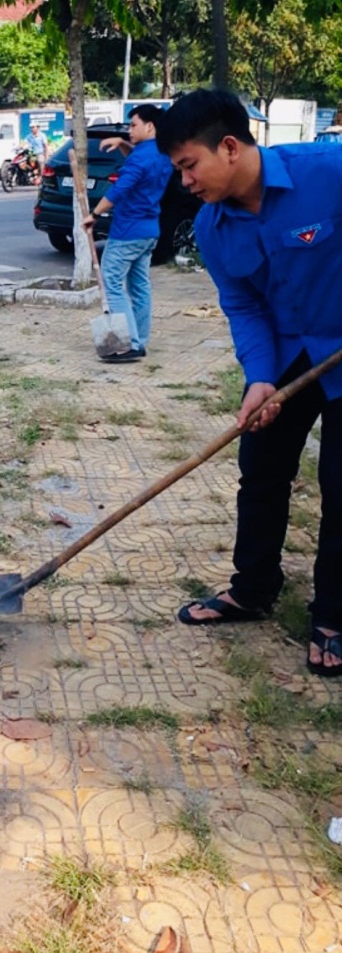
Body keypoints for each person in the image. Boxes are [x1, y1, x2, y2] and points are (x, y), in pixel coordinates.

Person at [156, 88, 342, 678]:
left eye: (189, 166)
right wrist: (259, 380)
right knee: (260, 468)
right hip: (289, 354)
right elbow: (244, 307)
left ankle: (334, 614)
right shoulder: (213, 230)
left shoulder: (329, 173)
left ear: (229, 147)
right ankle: (253, 589)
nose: (185, 181)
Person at [82, 104, 173, 363]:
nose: (129, 129)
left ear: (150, 126)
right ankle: (139, 341)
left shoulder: (141, 158)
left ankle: (129, 343)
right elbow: (140, 164)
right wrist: (123, 143)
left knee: (112, 282)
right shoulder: (160, 154)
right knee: (139, 285)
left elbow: (120, 188)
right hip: (148, 231)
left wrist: (94, 215)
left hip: (128, 231)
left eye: (133, 125)